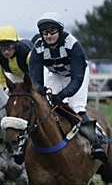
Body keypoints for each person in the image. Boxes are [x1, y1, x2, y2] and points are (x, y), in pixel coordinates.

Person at [29, 11, 108, 161]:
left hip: (77, 75)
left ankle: (97, 141)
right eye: (45, 33)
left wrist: (62, 95)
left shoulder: (72, 44)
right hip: (55, 74)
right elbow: (36, 79)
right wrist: (41, 90)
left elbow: (77, 79)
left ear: (60, 30)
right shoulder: (38, 48)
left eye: (52, 32)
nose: (49, 36)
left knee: (76, 107)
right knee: (47, 106)